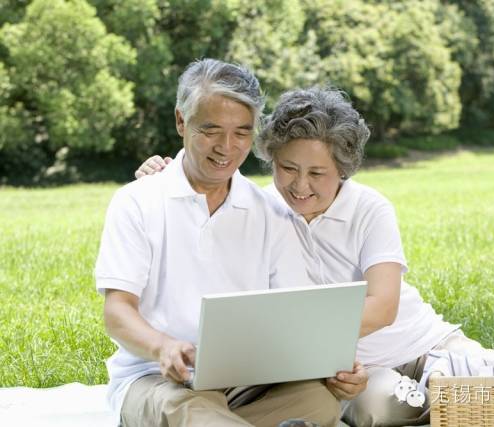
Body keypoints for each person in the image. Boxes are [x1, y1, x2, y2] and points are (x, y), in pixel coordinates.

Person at [136, 87, 494, 426]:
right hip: (354, 370)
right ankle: (443, 390)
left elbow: (383, 306)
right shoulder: (260, 211)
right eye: (288, 169)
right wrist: (165, 179)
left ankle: (454, 374)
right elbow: (204, 216)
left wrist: (307, 344)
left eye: (317, 173)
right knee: (380, 407)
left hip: (421, 342)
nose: (300, 185)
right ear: (271, 159)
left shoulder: (369, 208)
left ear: (343, 169)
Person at [95, 61, 353, 427]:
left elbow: (295, 316)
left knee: (320, 402)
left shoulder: (271, 213)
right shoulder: (136, 202)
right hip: (157, 379)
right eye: (210, 130)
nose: (226, 148)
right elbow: (117, 311)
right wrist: (162, 347)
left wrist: (335, 368)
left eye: (241, 133)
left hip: (245, 382)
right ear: (181, 121)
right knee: (191, 411)